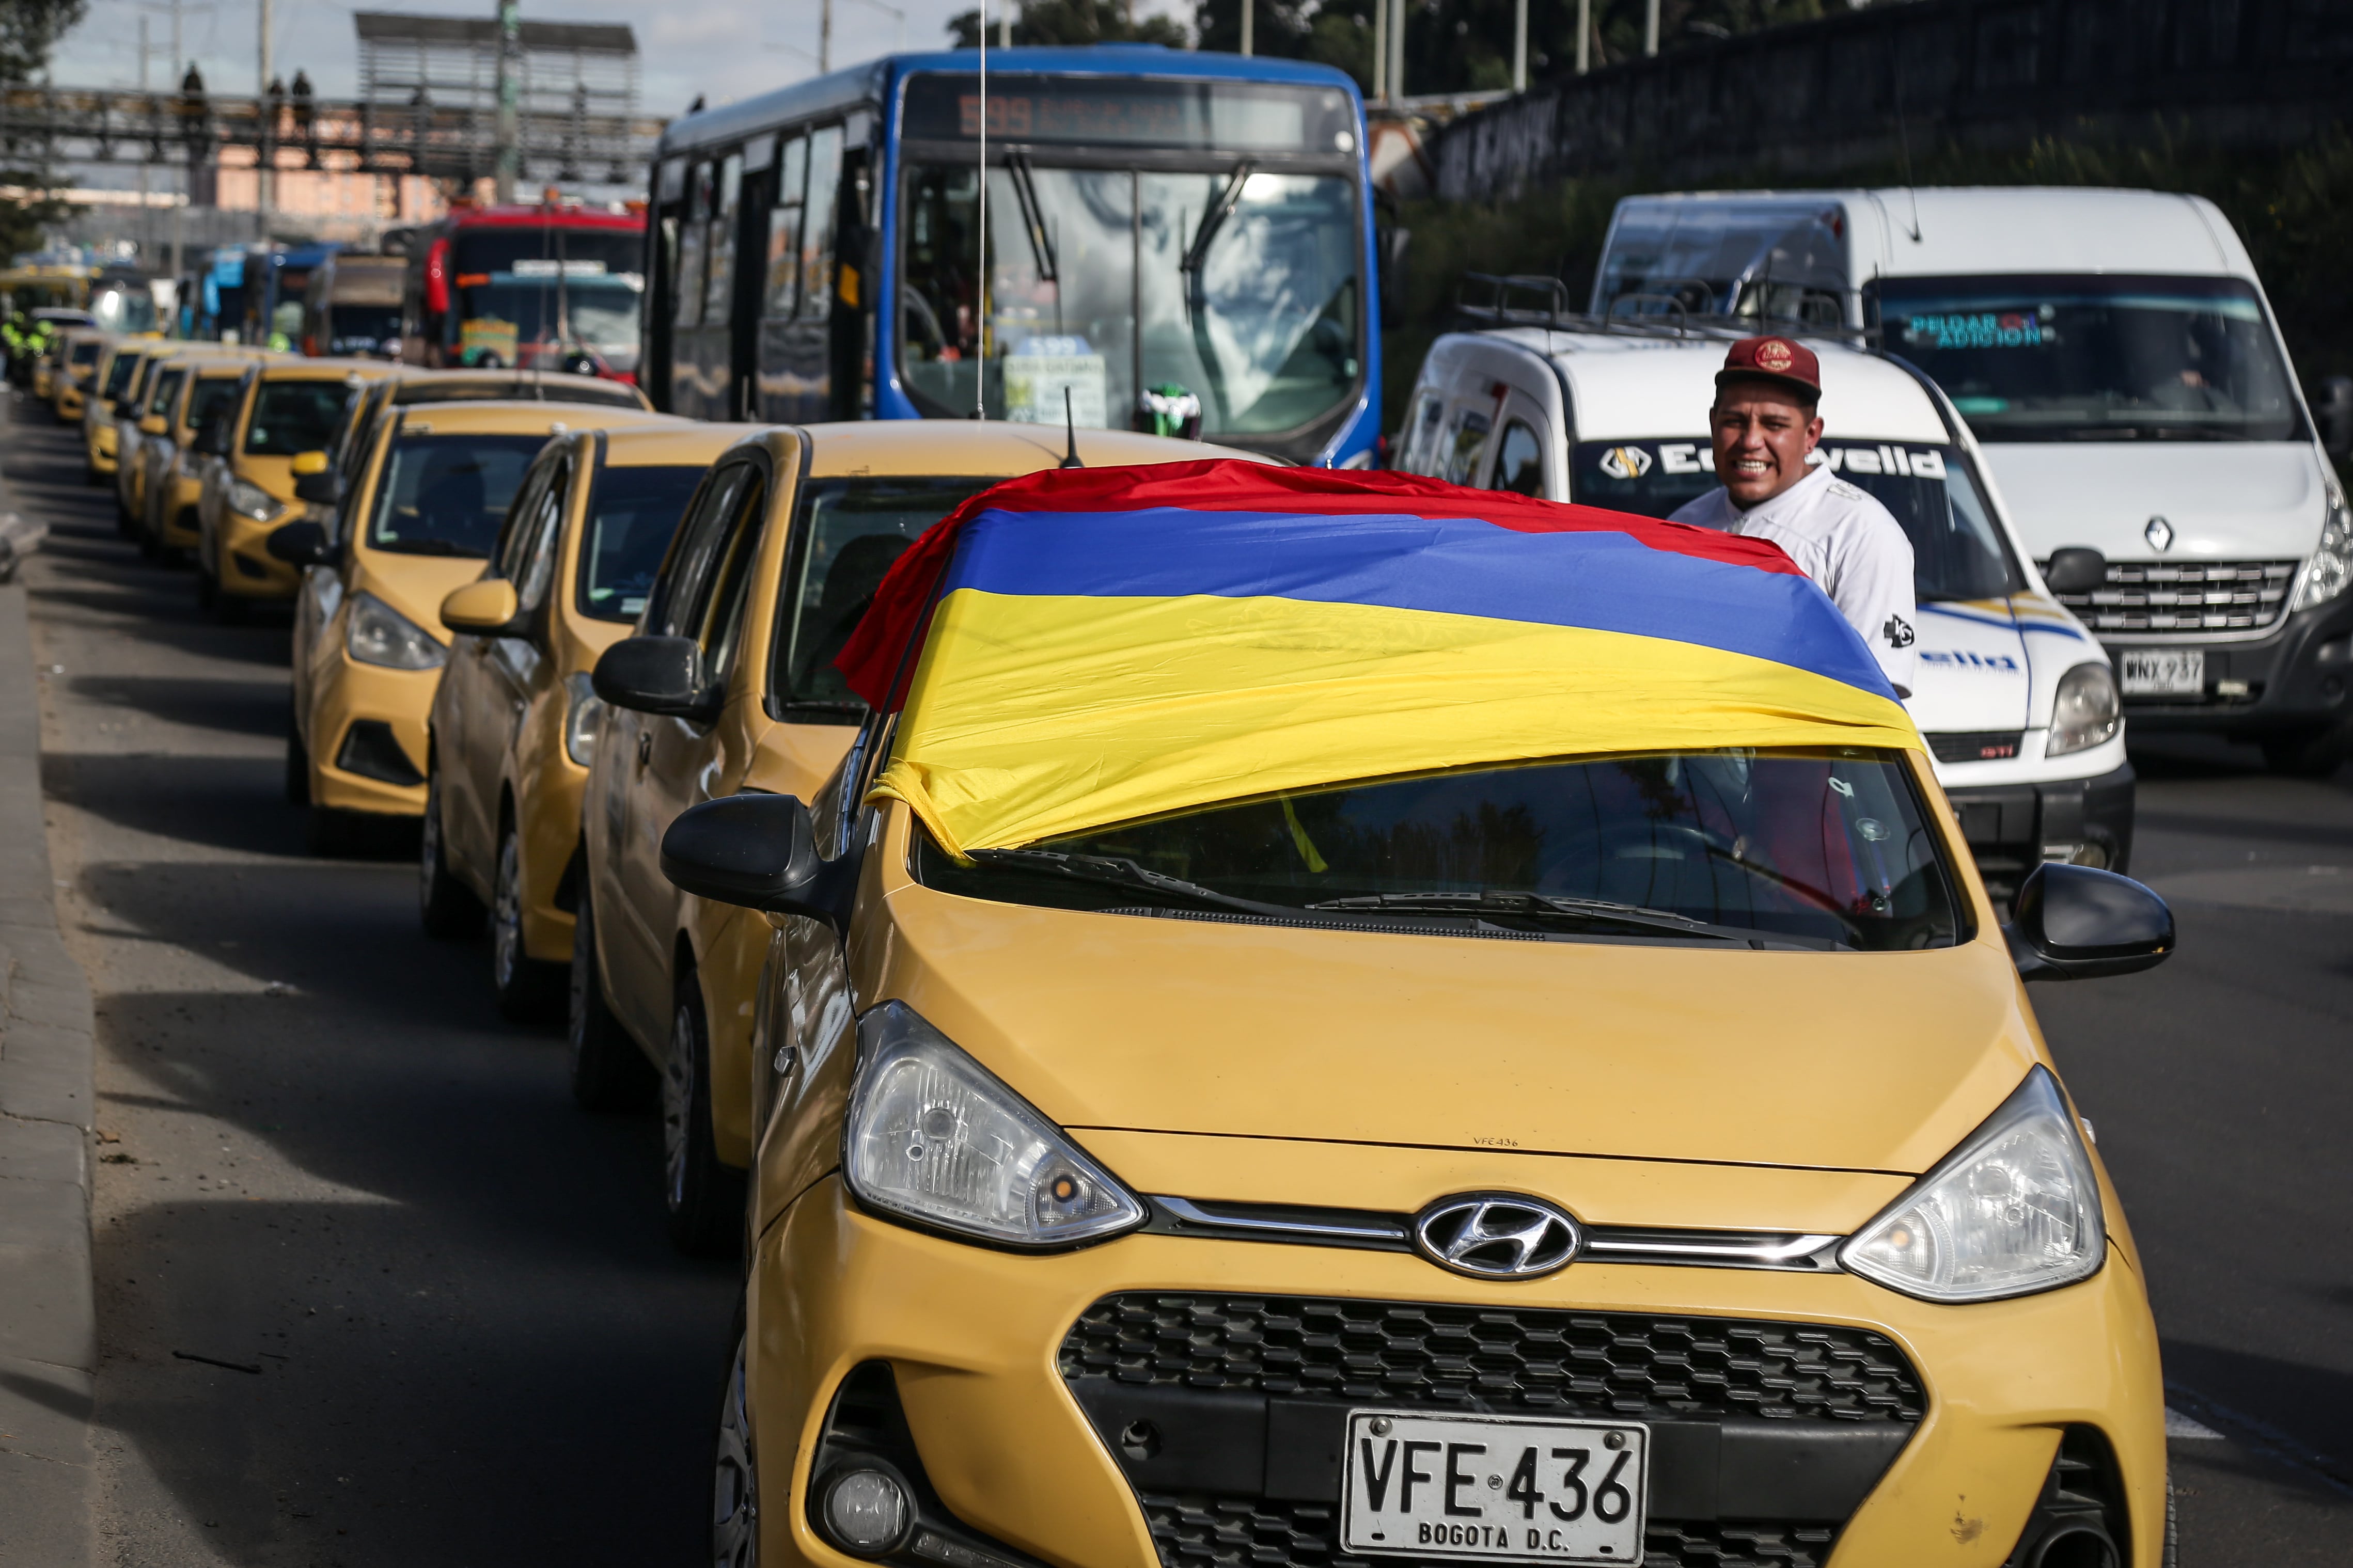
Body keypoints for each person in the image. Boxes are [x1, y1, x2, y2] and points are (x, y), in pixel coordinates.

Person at [1669, 336, 1919, 698]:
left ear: (1811, 435)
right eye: (1735, 421)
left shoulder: (1862, 532)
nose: (1751, 440)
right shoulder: (1683, 526)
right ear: (1712, 423)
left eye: (1774, 424)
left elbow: (1870, 699)